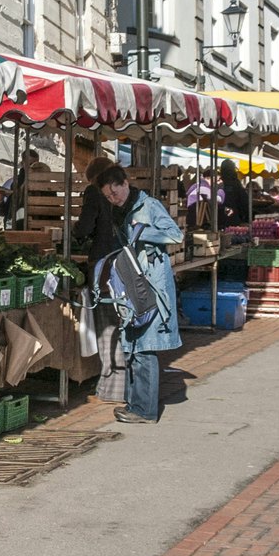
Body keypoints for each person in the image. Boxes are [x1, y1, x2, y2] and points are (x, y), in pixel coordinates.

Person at [76, 164, 183, 425]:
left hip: (150, 285)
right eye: (109, 196)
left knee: (145, 345)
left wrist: (144, 231)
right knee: (133, 342)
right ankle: (136, 404)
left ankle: (144, 411)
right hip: (131, 282)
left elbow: (176, 235)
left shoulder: (149, 206)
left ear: (125, 182)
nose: (114, 199)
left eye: (116, 192)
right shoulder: (120, 210)